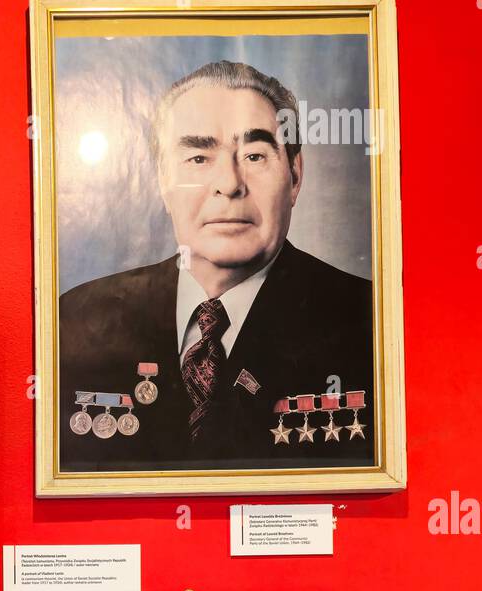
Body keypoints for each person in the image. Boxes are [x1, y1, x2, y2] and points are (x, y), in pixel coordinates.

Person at [59, 60, 374, 469]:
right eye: (198, 158)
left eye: (255, 155)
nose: (229, 183)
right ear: (161, 180)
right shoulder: (75, 321)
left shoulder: (367, 322)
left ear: (294, 176)